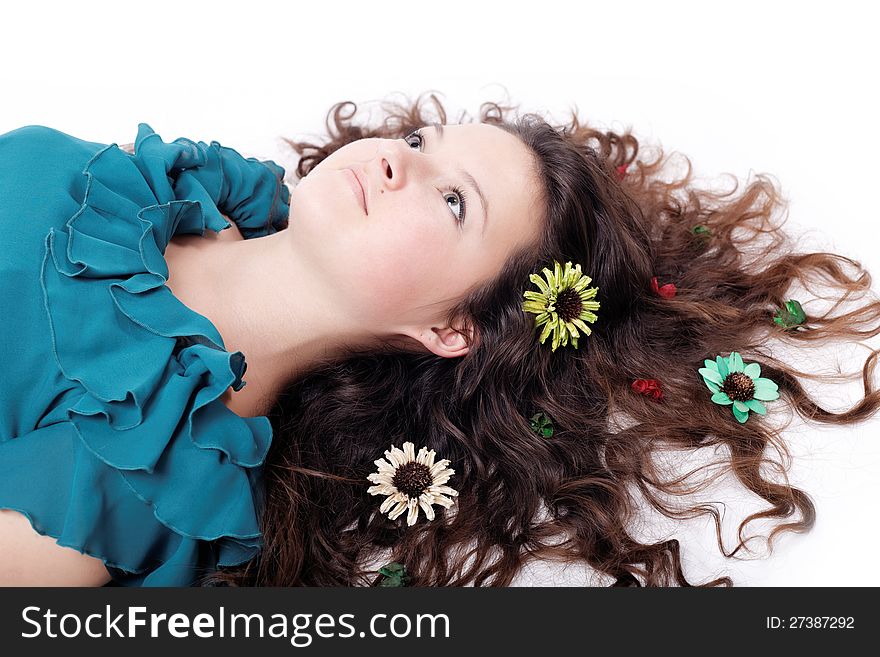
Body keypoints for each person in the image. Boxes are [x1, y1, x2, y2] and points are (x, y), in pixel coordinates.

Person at [2, 92, 879, 587]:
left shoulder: (142, 475)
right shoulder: (156, 181)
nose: (396, 157)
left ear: (450, 328)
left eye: (453, 200)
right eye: (422, 140)